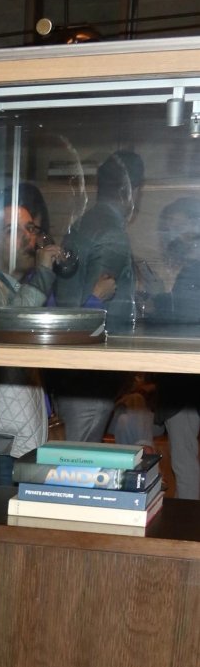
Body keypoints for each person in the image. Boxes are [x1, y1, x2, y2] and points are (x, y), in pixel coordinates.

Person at [52, 150, 145, 441]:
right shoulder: (111, 233)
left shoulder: (83, 224)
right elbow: (94, 306)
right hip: (90, 373)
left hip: (71, 370)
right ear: (131, 191)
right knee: (78, 458)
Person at [0, 188, 53, 481]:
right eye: (12, 230)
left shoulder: (15, 287)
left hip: (17, 437)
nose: (27, 238)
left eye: (29, 229)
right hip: (3, 444)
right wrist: (44, 276)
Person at [146, 197, 200, 498]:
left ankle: (189, 521)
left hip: (184, 379)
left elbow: (179, 318)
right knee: (184, 458)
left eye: (177, 227)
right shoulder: (188, 267)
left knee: (184, 461)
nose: (173, 236)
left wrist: (159, 298)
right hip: (183, 380)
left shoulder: (190, 270)